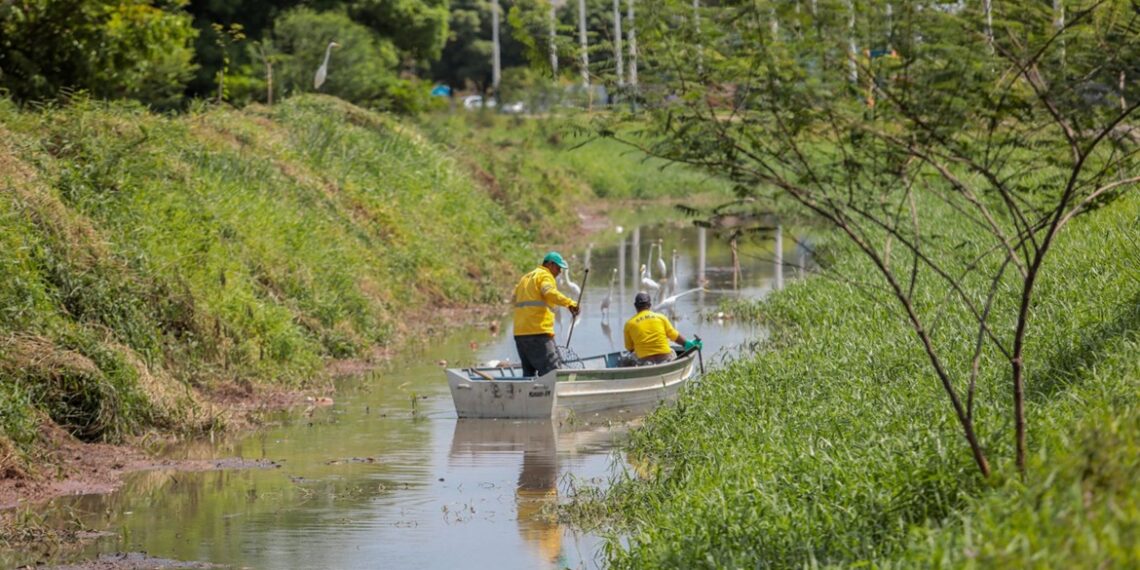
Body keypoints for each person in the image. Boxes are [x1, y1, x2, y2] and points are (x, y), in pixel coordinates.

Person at [512, 251, 581, 377]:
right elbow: (549, 292)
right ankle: (554, 397)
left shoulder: (525, 279)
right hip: (538, 333)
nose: (560, 272)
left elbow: (514, 299)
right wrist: (570, 303)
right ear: (550, 264)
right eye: (558, 268)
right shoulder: (544, 275)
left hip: (520, 334)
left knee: (529, 375)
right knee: (553, 373)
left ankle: (530, 396)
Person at [623, 292, 701, 365]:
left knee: (628, 358)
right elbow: (674, 336)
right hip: (665, 357)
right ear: (650, 305)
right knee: (672, 351)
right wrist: (687, 344)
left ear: (635, 306)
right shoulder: (661, 317)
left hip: (645, 361)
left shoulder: (629, 324)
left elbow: (630, 348)